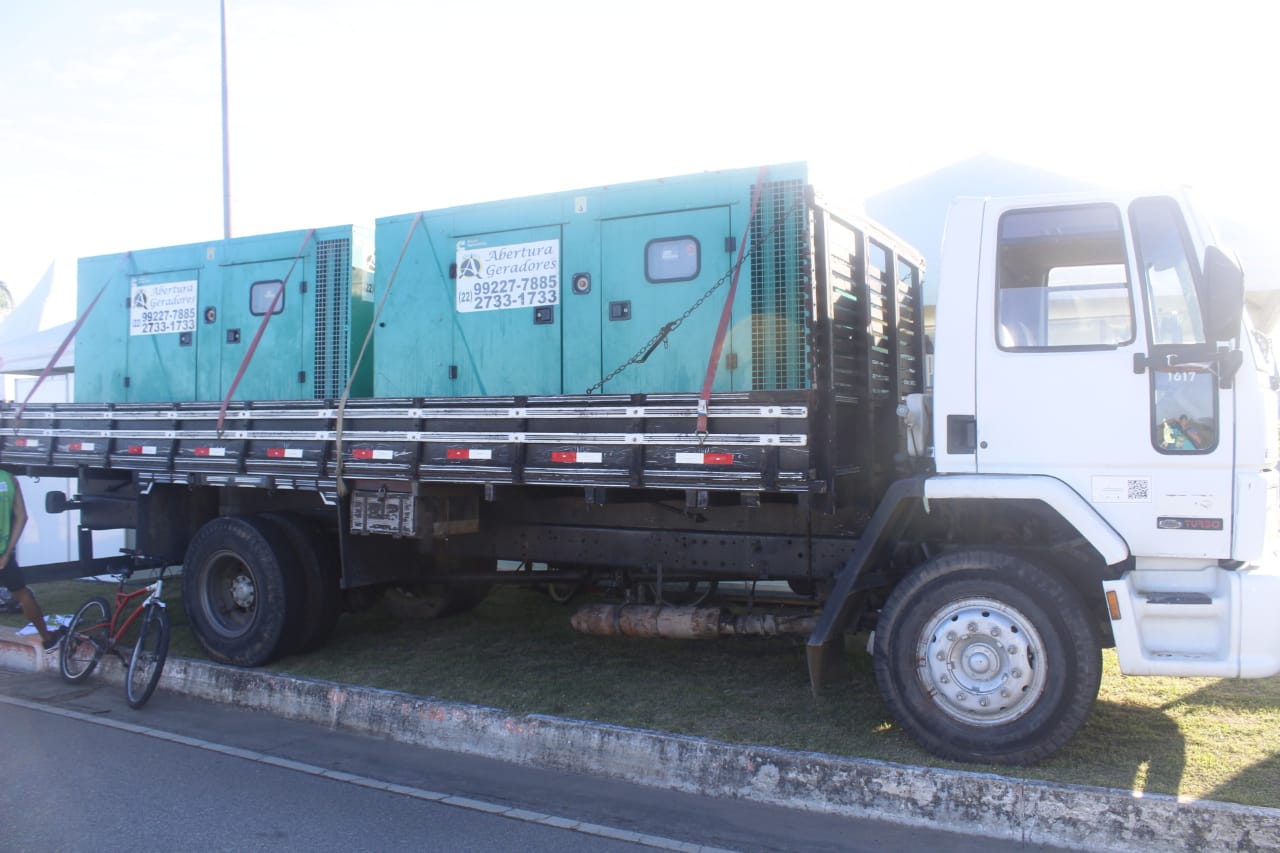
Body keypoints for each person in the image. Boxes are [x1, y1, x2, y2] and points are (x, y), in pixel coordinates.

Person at [0, 468, 66, 650]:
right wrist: (7, 553)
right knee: (23, 595)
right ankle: (47, 637)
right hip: (3, 555)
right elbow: (22, 517)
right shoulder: (9, 480)